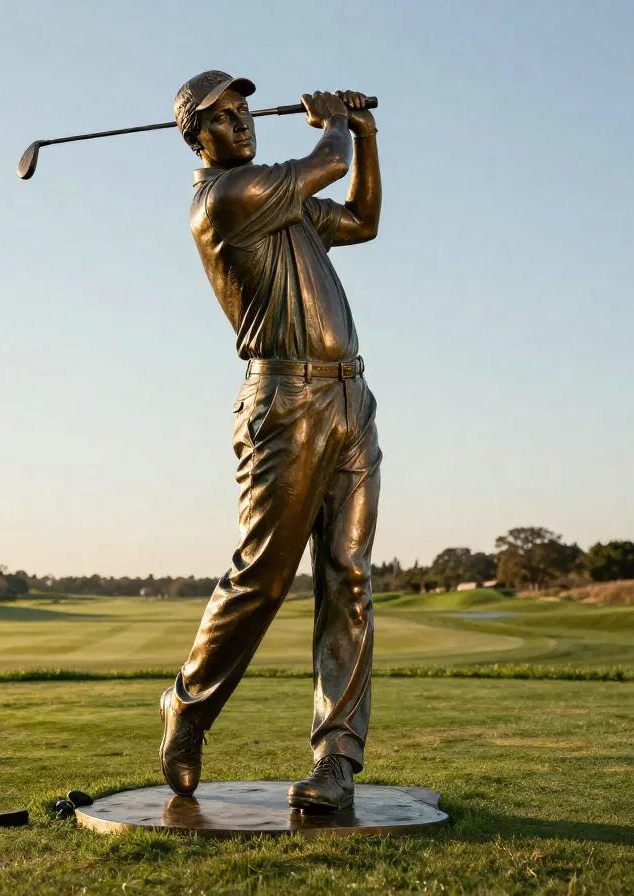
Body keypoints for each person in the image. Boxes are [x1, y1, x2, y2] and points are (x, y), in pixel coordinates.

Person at [160, 71, 383, 813]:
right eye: (221, 118)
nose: (241, 123)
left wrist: (367, 134)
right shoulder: (227, 199)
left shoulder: (280, 203)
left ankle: (336, 764)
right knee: (264, 576)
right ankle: (187, 707)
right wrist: (334, 122)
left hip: (350, 396)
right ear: (197, 138)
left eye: (243, 109)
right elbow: (330, 164)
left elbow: (362, 217)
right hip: (285, 404)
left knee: (348, 577)